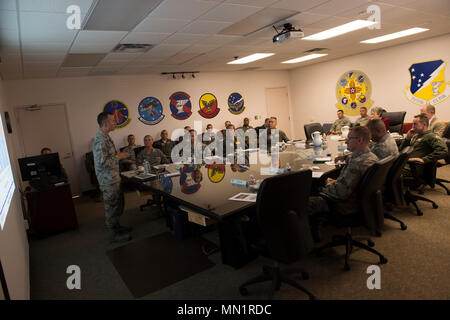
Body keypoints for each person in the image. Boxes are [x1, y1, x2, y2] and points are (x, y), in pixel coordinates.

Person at [307, 126, 378, 218]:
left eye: (349, 138)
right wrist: (336, 182)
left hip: (343, 205)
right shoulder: (372, 157)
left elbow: (340, 193)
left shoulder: (356, 163)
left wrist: (327, 184)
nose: (346, 141)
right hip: (360, 201)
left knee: (298, 203)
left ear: (360, 140)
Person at [93, 112, 132, 243]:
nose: (115, 122)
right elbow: (102, 162)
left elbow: (109, 157)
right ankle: (114, 234)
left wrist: (117, 155)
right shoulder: (100, 139)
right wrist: (118, 157)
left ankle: (118, 227)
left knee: (118, 205)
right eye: (113, 121)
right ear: (105, 124)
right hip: (108, 181)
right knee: (112, 207)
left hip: (114, 178)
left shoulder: (106, 137)